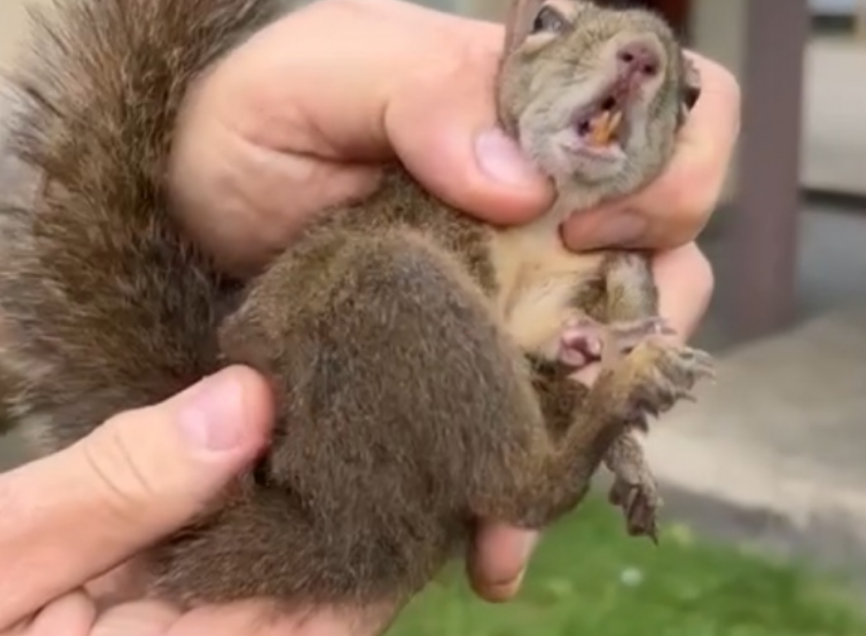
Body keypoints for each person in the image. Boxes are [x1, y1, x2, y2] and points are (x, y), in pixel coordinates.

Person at [0, 0, 740, 634]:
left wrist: (616, 407)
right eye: (551, 25)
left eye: (682, 94)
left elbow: (533, 369)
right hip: (321, 479)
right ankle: (537, 476)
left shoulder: (610, 261)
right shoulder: (438, 200)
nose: (641, 70)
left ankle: (540, 469)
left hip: (381, 495)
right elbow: (311, 315)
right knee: (388, 273)